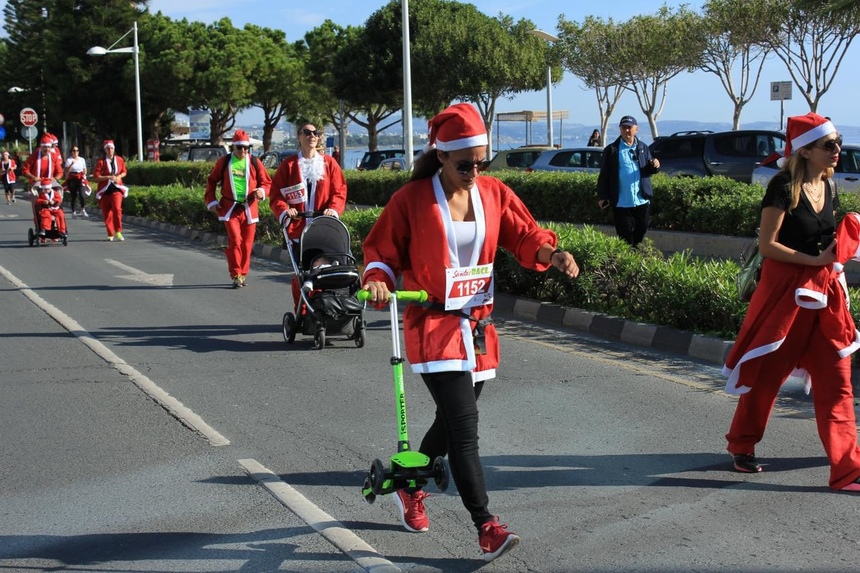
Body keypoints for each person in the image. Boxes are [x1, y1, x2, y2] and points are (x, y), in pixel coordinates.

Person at [361, 103, 580, 562]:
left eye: (482, 161)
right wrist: (378, 279)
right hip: (432, 323)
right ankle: (486, 525)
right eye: (466, 164)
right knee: (464, 428)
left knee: (448, 422)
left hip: (477, 327)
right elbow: (381, 250)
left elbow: (524, 235)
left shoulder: (493, 192)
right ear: (440, 156)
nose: (475, 171)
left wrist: (551, 254)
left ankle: (408, 487)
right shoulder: (412, 199)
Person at [723, 112, 860, 491]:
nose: (837, 150)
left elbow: (825, 240)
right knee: (766, 378)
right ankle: (742, 444)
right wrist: (813, 260)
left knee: (838, 380)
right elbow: (769, 246)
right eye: (829, 144)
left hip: (824, 298)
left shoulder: (829, 186)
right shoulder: (783, 187)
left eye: (838, 142)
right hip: (786, 300)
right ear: (806, 150)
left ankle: (848, 468)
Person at [269, 122, 347, 307]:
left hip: (324, 229)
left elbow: (340, 191)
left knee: (324, 268)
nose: (312, 136)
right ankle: (302, 311)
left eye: (315, 133)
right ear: (299, 137)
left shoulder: (330, 163)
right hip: (298, 230)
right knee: (301, 273)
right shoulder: (288, 165)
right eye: (307, 132)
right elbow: (276, 195)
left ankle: (322, 307)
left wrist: (333, 209)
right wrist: (285, 210)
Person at [205, 130, 271, 288]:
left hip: (249, 208)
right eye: (239, 147)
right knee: (235, 240)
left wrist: (261, 191)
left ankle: (243, 274)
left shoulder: (255, 162)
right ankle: (236, 274)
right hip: (230, 208)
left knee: (247, 244)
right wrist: (212, 201)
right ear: (233, 147)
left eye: (246, 148)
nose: (243, 151)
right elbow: (212, 181)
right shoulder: (224, 162)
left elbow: (266, 182)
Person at [596, 115, 660, 247]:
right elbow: (604, 175)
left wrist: (655, 166)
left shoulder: (643, 147)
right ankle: (628, 256)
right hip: (621, 202)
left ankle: (634, 249)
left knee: (642, 228)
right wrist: (603, 196)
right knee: (624, 235)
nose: (627, 131)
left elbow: (647, 170)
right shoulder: (612, 150)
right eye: (624, 128)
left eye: (629, 128)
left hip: (641, 199)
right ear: (620, 130)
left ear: (636, 129)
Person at [93, 140, 129, 241]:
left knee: (117, 209)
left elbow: (124, 171)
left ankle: (118, 231)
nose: (110, 150)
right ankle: (110, 233)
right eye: (108, 148)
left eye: (112, 148)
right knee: (107, 213)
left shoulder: (119, 160)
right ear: (105, 150)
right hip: (104, 190)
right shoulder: (101, 162)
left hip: (116, 189)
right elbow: (96, 176)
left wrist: (119, 177)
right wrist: (108, 177)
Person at [34, 177, 67, 241]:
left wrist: (54, 201)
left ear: (50, 188)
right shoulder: (42, 194)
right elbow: (37, 200)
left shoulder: (55, 193)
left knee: (60, 215)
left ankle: (62, 230)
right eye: (45, 189)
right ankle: (44, 229)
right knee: (45, 215)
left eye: (48, 189)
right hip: (46, 208)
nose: (46, 190)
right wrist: (43, 201)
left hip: (55, 208)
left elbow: (59, 199)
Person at [63, 145, 89, 218]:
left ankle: (83, 210)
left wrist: (85, 173)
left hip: (80, 177)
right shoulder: (69, 160)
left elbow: (85, 169)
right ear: (71, 152)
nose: (75, 152)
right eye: (74, 151)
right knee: (73, 195)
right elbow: (66, 171)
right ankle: (73, 211)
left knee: (82, 195)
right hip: (72, 178)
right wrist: (71, 164)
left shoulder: (82, 159)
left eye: (77, 150)